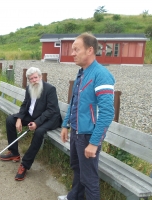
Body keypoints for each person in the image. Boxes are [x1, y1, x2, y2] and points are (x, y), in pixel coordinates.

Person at [58, 33, 115, 200]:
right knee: (77, 169)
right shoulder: (81, 72)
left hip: (88, 135)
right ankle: (74, 197)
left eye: (76, 49)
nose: (72, 53)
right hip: (76, 131)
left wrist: (94, 142)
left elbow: (107, 113)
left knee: (89, 179)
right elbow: (74, 101)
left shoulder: (101, 75)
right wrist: (65, 124)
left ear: (90, 50)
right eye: (72, 49)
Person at [0, 67, 62, 181]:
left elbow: (51, 110)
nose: (34, 80)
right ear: (28, 80)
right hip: (34, 115)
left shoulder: (50, 89)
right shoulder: (29, 88)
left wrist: (37, 123)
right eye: (31, 79)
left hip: (50, 119)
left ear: (40, 77)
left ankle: (25, 164)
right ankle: (14, 152)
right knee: (10, 120)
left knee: (38, 132)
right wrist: (19, 118)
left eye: (35, 77)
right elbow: (25, 104)